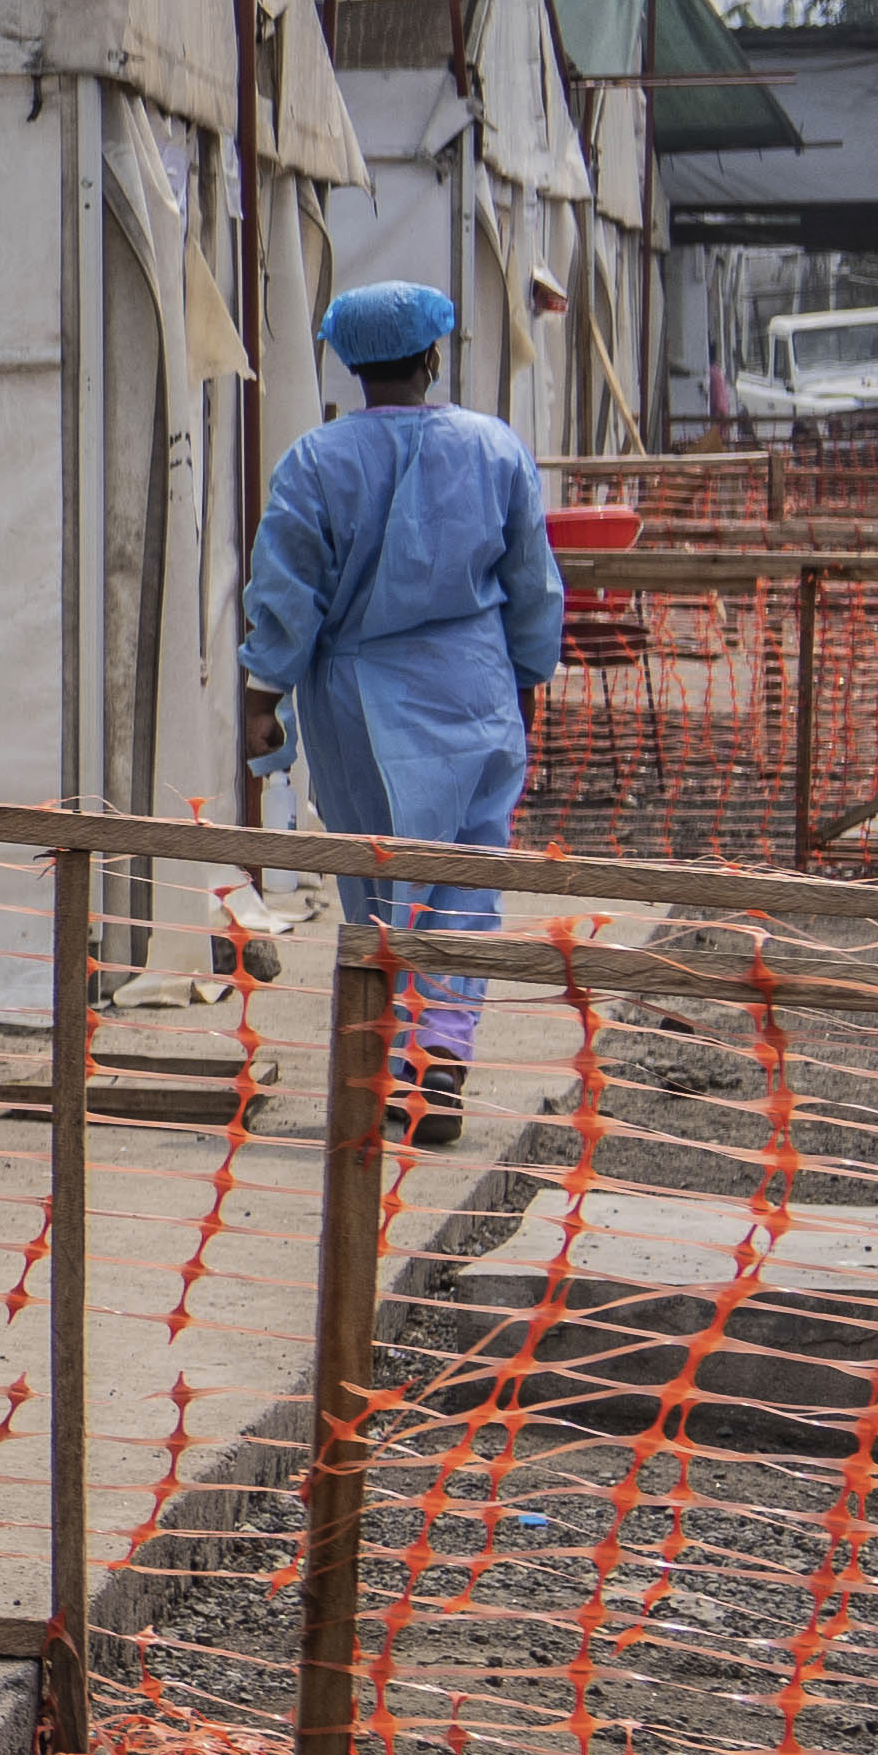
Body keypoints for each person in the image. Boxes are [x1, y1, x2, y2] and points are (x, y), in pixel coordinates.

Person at [240, 277, 570, 1148]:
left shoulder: (315, 462)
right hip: (476, 693)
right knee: (467, 881)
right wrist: (529, 680)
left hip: (358, 707)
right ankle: (442, 1057)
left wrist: (260, 699)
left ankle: (387, 1064)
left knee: (377, 883)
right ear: (434, 357)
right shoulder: (495, 449)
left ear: (349, 365)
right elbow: (532, 585)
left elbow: (285, 594)